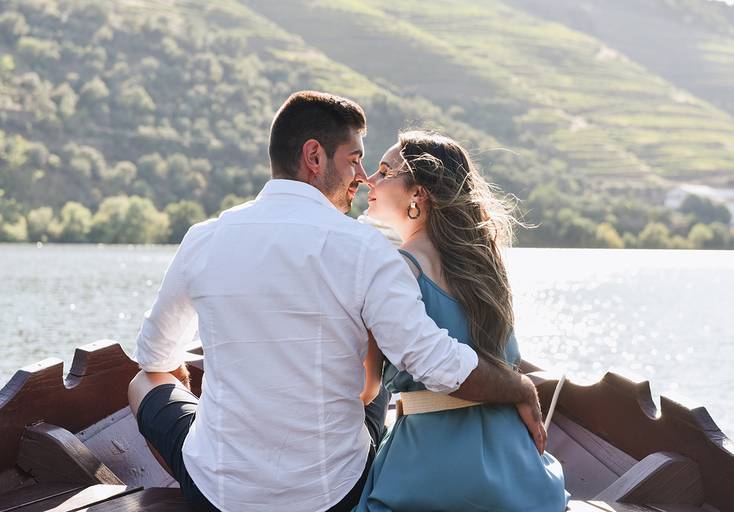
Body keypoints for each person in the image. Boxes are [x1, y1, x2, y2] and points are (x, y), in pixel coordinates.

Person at [127, 91, 546, 512]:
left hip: (218, 494)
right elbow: (432, 363)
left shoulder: (203, 239)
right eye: (354, 159)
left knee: (144, 381)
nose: (362, 177)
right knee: (374, 383)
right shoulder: (365, 247)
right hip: (333, 497)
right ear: (314, 156)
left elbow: (154, 356)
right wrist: (520, 387)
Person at [355, 130, 569, 511]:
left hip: (431, 468)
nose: (370, 180)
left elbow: (366, 388)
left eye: (384, 172)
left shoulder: (395, 269)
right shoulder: (486, 266)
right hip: (514, 466)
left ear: (418, 194)